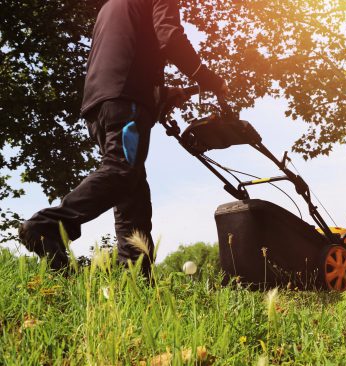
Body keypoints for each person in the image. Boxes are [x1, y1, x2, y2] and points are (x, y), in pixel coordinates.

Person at [18, 0, 227, 278]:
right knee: (122, 171)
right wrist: (208, 78)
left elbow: (125, 56)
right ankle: (48, 225)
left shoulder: (112, 6)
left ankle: (136, 275)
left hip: (99, 104)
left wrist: (159, 93)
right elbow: (170, 37)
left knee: (133, 190)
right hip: (125, 101)